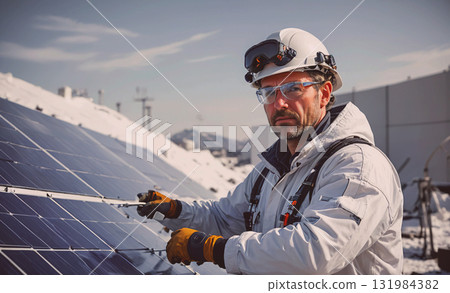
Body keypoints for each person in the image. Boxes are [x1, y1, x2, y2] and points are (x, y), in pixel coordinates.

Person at [136, 28, 403, 274]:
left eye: (293, 88)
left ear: (324, 94)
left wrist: (213, 249)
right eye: (269, 92)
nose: (280, 103)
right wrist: (174, 210)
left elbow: (314, 252)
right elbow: (226, 218)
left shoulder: (357, 165)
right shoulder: (273, 168)